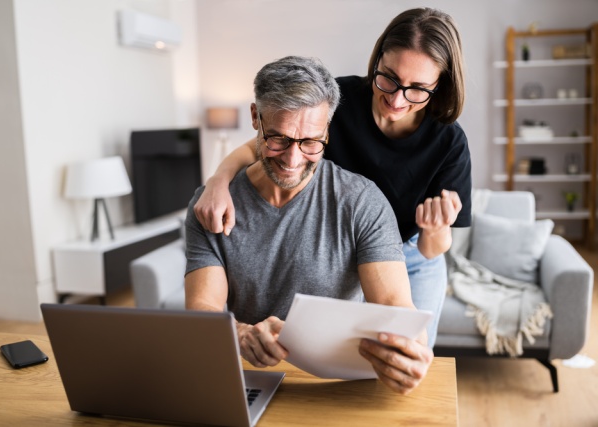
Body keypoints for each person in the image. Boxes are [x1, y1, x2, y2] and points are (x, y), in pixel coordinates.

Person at [192, 7, 472, 348]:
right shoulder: (339, 100)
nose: (397, 99)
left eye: (417, 89)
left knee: (410, 351)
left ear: (439, 85)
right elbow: (269, 143)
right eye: (388, 78)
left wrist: (435, 227)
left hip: (411, 252)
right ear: (377, 60)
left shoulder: (449, 142)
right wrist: (218, 181)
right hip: (345, 245)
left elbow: (433, 249)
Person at [185, 56, 433, 395]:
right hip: (250, 382)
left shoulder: (361, 201)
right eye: (279, 139)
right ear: (256, 117)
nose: (293, 160)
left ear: (327, 131)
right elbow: (202, 310)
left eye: (310, 143)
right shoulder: (212, 205)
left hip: (336, 389)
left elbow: (395, 305)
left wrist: (413, 349)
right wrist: (240, 333)